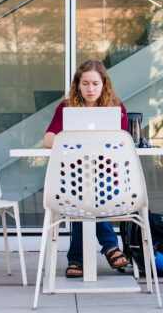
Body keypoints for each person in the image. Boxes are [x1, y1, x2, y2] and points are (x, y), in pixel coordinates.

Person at [43, 59, 130, 278]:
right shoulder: (67, 107)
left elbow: (123, 142)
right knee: (84, 190)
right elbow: (48, 140)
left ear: (104, 84)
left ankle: (76, 259)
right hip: (74, 176)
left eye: (95, 83)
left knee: (88, 194)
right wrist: (77, 143)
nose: (90, 89)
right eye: (85, 83)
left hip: (106, 177)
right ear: (77, 85)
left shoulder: (116, 108)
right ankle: (110, 246)